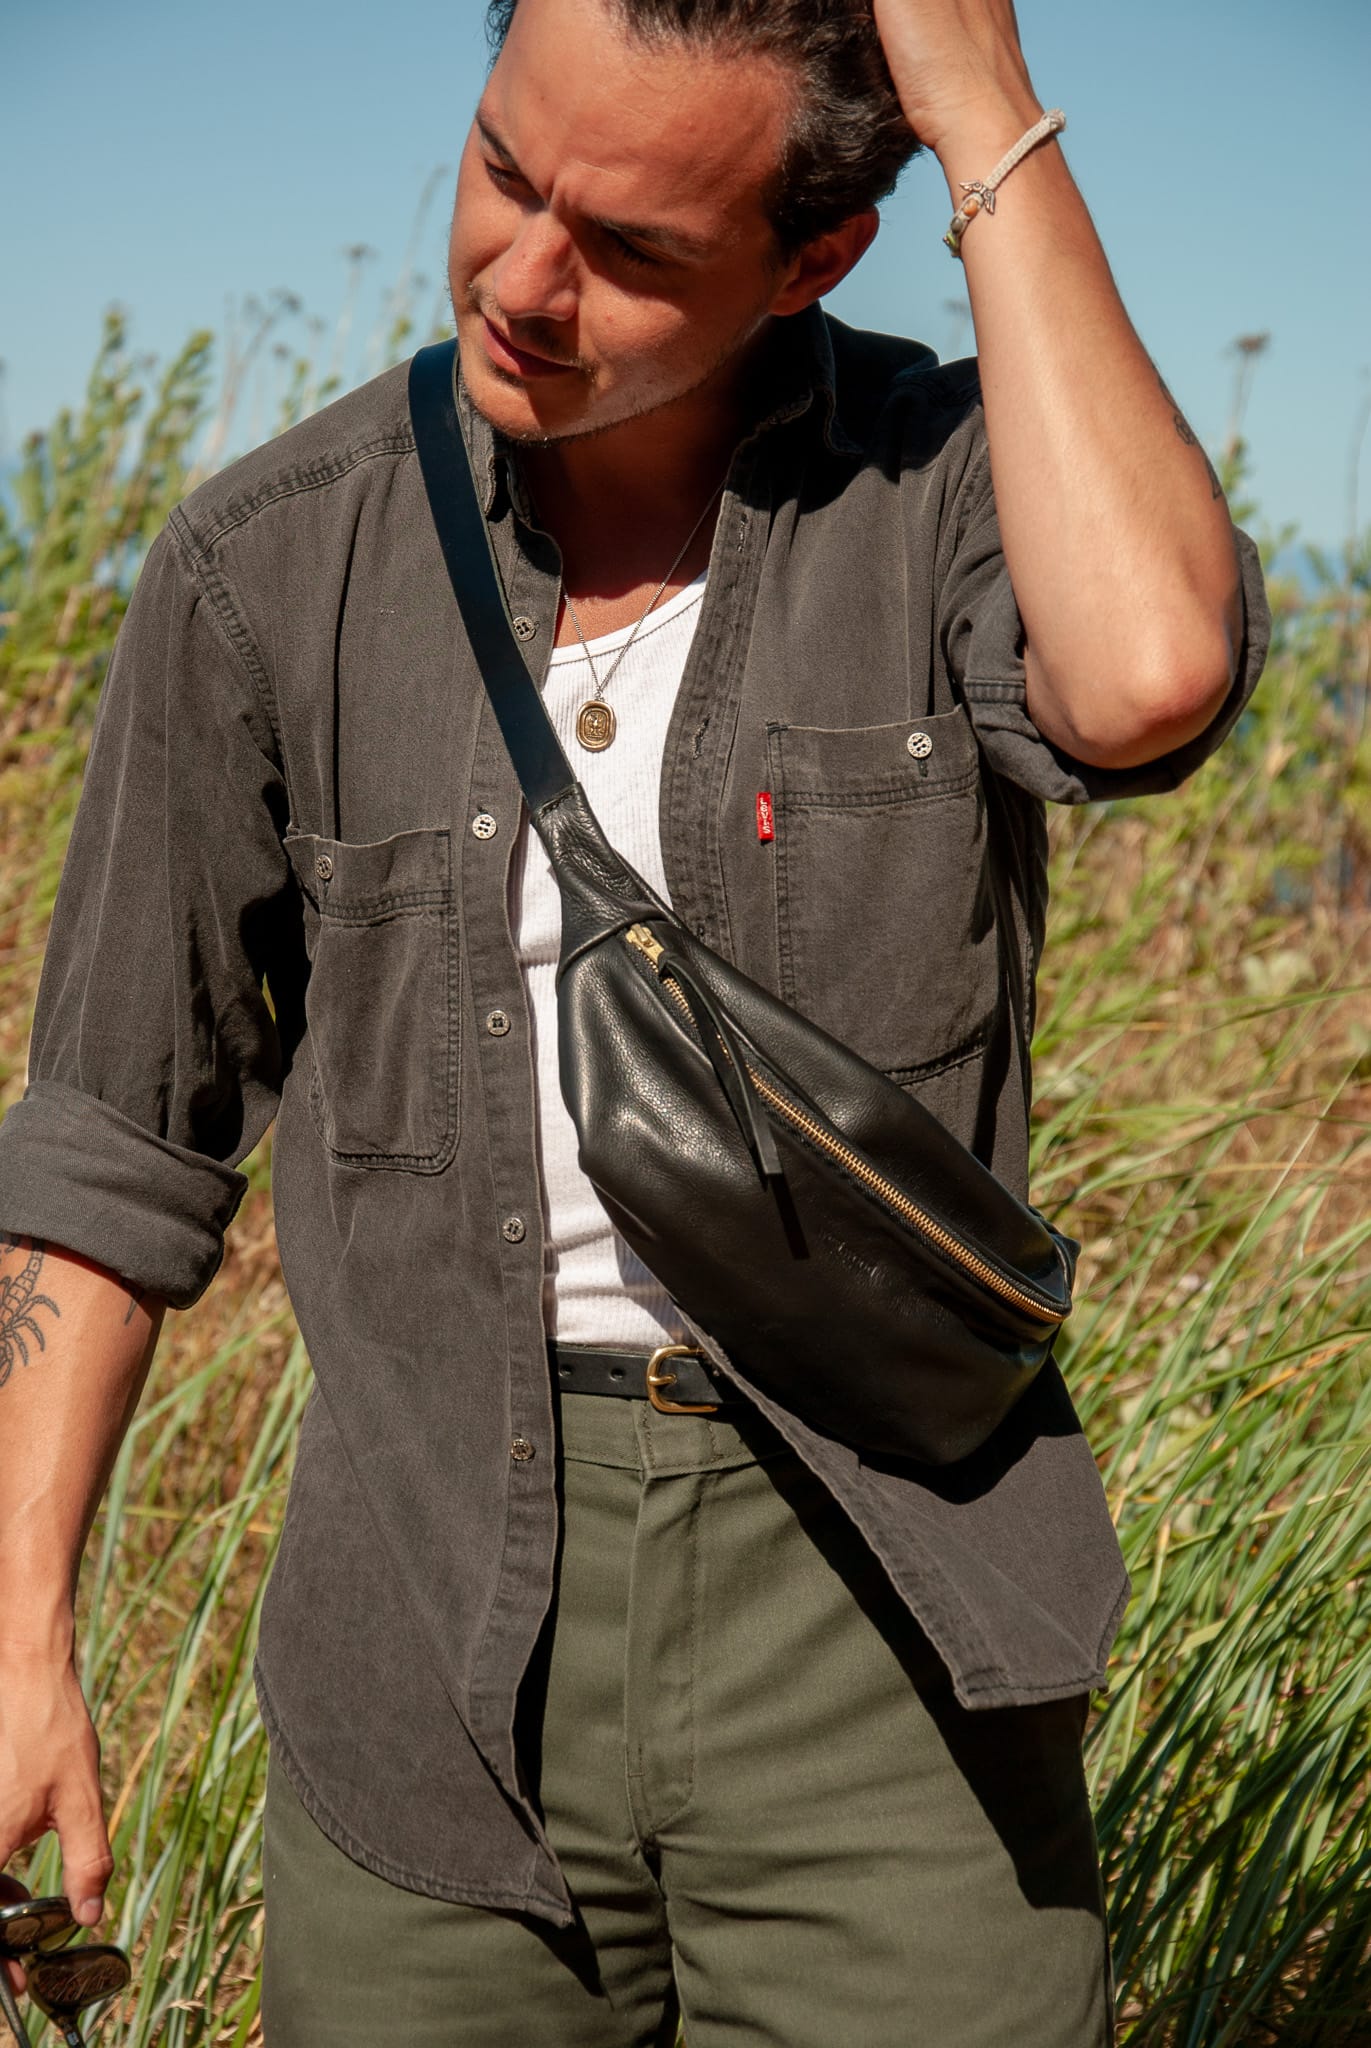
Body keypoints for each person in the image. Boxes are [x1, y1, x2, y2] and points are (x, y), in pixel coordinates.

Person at [0, 0, 1268, 2041]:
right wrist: (16, 1626)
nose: (520, 279)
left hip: (885, 1608)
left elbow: (1136, 679)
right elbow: (114, 1141)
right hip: (426, 1625)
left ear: (811, 259)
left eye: (633, 249)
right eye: (506, 170)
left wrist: (973, 99)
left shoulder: (943, 494)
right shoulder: (265, 564)